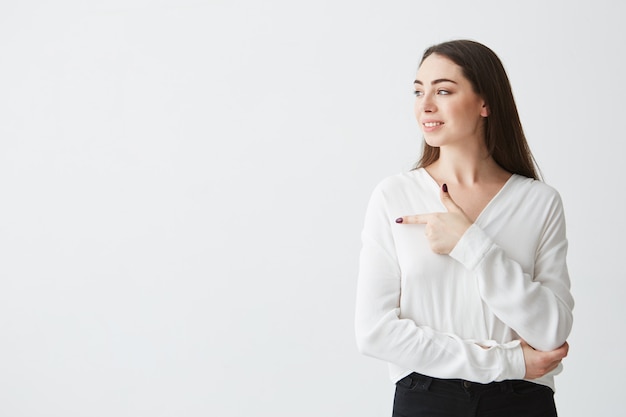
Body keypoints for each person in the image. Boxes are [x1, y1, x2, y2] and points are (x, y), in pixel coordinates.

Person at [355, 39, 574, 417]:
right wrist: (508, 362)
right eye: (418, 91)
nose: (425, 105)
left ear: (485, 103)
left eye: (442, 91)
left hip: (522, 403)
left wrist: (470, 244)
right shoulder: (394, 196)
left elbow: (552, 331)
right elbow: (374, 332)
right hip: (427, 398)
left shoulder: (540, 202)